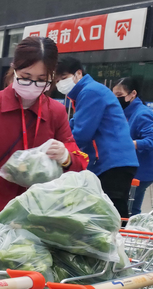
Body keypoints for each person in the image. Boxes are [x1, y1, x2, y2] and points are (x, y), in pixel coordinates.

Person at [0, 37, 87, 222]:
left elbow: (78, 160)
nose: (33, 85)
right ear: (14, 69)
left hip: (36, 217)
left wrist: (65, 157)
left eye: (41, 80)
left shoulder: (55, 112)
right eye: (25, 77)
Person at [56, 57, 139, 218]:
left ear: (78, 74)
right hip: (114, 160)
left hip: (112, 161)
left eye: (63, 78)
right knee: (107, 210)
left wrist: (62, 153)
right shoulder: (87, 91)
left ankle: (123, 240)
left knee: (110, 212)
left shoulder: (90, 92)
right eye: (57, 80)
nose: (60, 84)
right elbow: (74, 125)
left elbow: (81, 133)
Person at [112, 77, 153, 216]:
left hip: (142, 170)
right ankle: (134, 231)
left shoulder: (143, 114)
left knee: (127, 207)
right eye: (113, 95)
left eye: (119, 95)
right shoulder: (124, 112)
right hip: (133, 168)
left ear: (133, 94)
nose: (116, 99)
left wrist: (130, 144)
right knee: (132, 208)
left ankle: (131, 232)